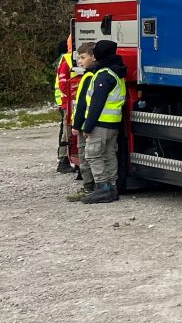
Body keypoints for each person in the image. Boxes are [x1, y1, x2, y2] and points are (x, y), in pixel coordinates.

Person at [76, 39, 127, 204]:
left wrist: (88, 127)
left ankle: (102, 188)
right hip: (113, 123)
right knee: (109, 155)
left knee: (93, 155)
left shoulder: (103, 75)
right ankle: (112, 188)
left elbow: (96, 104)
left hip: (100, 123)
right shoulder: (117, 73)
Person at [65, 44, 98, 202]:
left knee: (85, 157)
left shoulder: (90, 76)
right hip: (89, 123)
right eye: (78, 57)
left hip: (85, 123)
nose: (79, 61)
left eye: (83, 57)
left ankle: (88, 187)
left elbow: (83, 104)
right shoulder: (93, 75)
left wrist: (76, 125)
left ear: (93, 57)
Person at [52, 37, 78, 171]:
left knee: (70, 131)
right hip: (68, 103)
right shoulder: (67, 60)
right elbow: (63, 84)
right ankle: (63, 161)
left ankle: (70, 159)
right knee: (67, 132)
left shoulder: (72, 59)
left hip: (71, 102)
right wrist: (73, 99)